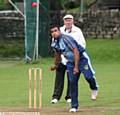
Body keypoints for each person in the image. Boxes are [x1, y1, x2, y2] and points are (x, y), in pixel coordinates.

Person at [50, 24, 98, 112]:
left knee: (89, 77)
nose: (54, 33)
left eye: (55, 31)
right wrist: (56, 65)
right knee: (72, 82)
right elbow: (57, 55)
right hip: (71, 63)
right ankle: (74, 106)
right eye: (52, 32)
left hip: (82, 59)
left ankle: (94, 88)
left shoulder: (66, 38)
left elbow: (76, 51)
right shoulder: (54, 43)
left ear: (59, 31)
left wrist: (76, 67)